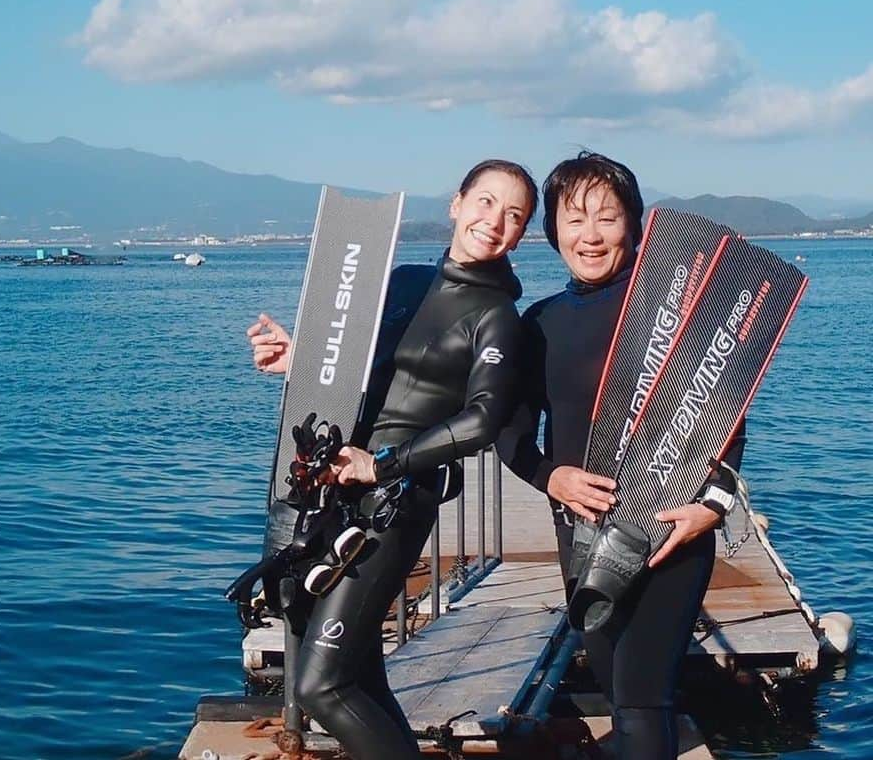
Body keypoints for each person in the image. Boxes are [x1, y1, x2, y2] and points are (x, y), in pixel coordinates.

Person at [246, 160, 537, 760]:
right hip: (336, 491)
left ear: (522, 234)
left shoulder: (498, 316)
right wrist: (297, 362)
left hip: (393, 501)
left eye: (514, 215)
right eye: (485, 203)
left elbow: (482, 420)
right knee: (360, 671)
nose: (495, 221)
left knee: (322, 686)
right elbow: (358, 372)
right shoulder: (402, 281)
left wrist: (381, 465)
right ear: (456, 204)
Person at [497, 151, 743, 760]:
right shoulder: (540, 323)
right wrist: (551, 477)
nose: (591, 235)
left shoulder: (674, 309)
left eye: (607, 218)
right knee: (613, 682)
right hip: (583, 537)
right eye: (574, 219)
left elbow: (729, 419)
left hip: (670, 532)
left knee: (641, 698)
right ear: (552, 230)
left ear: (634, 225)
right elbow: (510, 432)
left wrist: (710, 507)